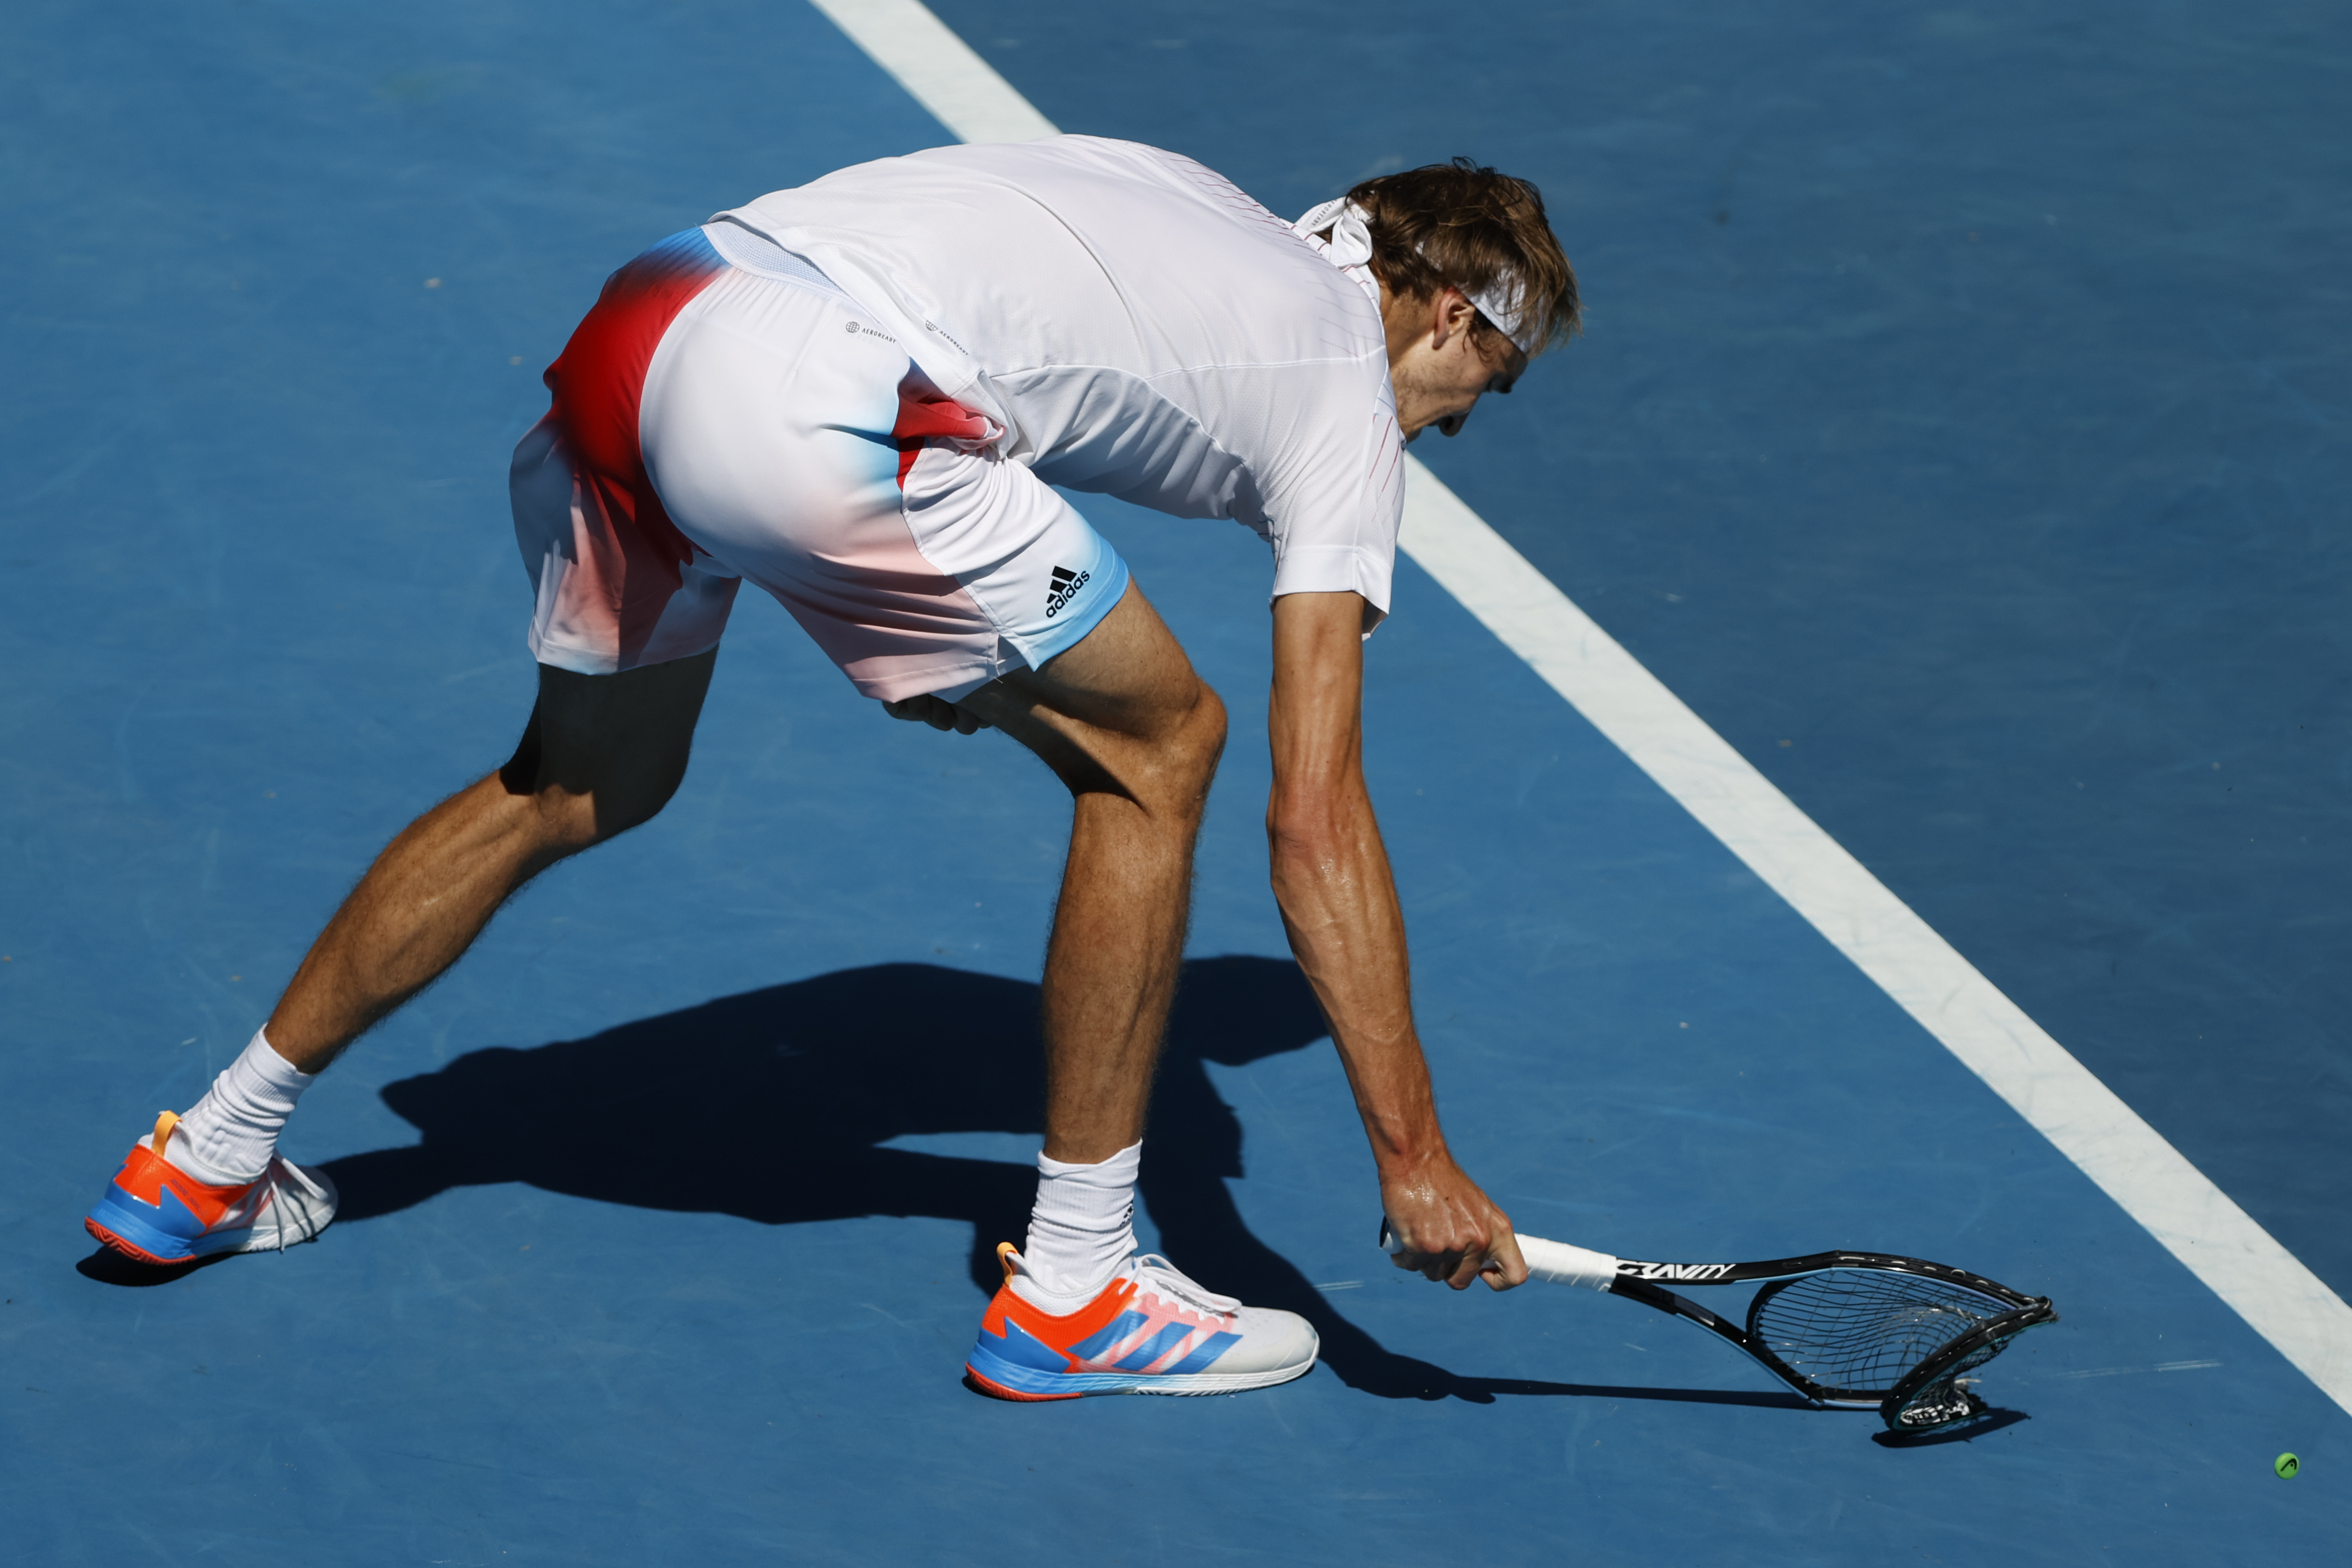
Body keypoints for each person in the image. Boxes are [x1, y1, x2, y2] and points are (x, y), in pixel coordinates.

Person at [84, 137, 1580, 1401]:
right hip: (833, 402)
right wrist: (1415, 1155)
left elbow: (1004, 334)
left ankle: (209, 1156)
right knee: (1163, 748)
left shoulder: (1190, 198)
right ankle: (1075, 1287)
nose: (1457, 423)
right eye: (1489, 385)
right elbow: (1316, 820)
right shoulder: (1343, 400)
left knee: (584, 777)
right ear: (1448, 311)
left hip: (653, 322)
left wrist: (947, 649)